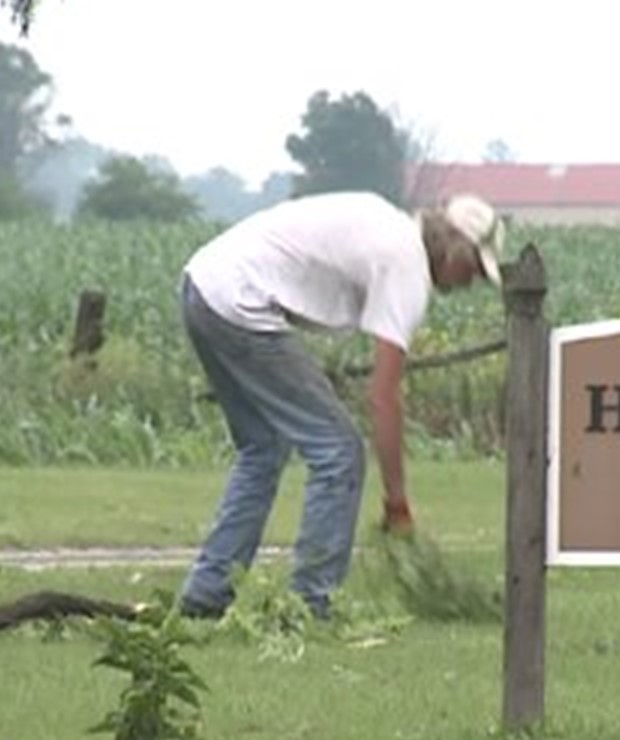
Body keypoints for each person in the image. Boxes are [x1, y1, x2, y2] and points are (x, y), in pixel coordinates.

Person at [175, 190, 506, 621]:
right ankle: (311, 604)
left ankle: (205, 597)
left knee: (263, 447)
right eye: (475, 268)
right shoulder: (405, 265)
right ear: (453, 247)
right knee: (338, 451)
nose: (471, 282)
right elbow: (384, 397)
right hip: (241, 301)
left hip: (202, 286)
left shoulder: (386, 225)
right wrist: (397, 502)